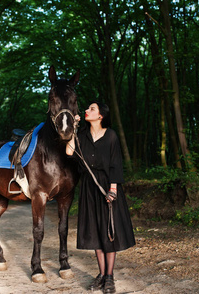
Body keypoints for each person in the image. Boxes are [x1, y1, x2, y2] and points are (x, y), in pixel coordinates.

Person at [66, 101, 135, 293]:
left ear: (101, 116)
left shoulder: (111, 136)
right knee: (96, 233)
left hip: (107, 187)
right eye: (87, 108)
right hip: (89, 188)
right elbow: (69, 151)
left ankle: (109, 277)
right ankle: (102, 274)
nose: (86, 111)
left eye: (91, 109)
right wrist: (73, 127)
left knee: (108, 233)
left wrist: (113, 189)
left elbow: (115, 163)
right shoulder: (82, 136)